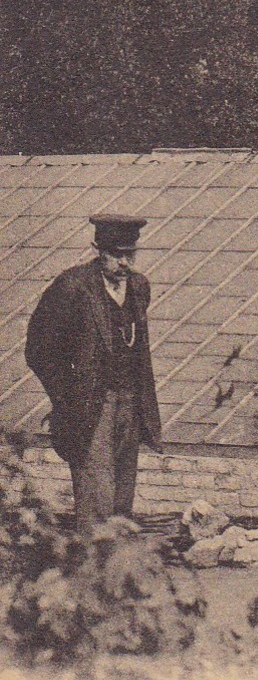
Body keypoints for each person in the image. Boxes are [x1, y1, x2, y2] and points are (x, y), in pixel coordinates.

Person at [25, 214, 162, 528]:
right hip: (91, 406)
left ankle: (118, 569)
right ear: (98, 249)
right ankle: (92, 563)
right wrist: (67, 398)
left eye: (131, 255)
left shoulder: (139, 287)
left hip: (130, 400)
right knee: (96, 494)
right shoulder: (73, 286)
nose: (125, 263)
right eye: (117, 255)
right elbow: (39, 349)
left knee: (122, 494)